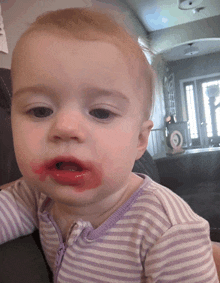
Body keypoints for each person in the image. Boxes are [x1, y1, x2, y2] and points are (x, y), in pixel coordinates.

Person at [0, 7, 218, 283]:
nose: (66, 128)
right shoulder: (37, 195)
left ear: (140, 140)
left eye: (101, 112)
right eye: (40, 111)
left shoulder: (168, 230)